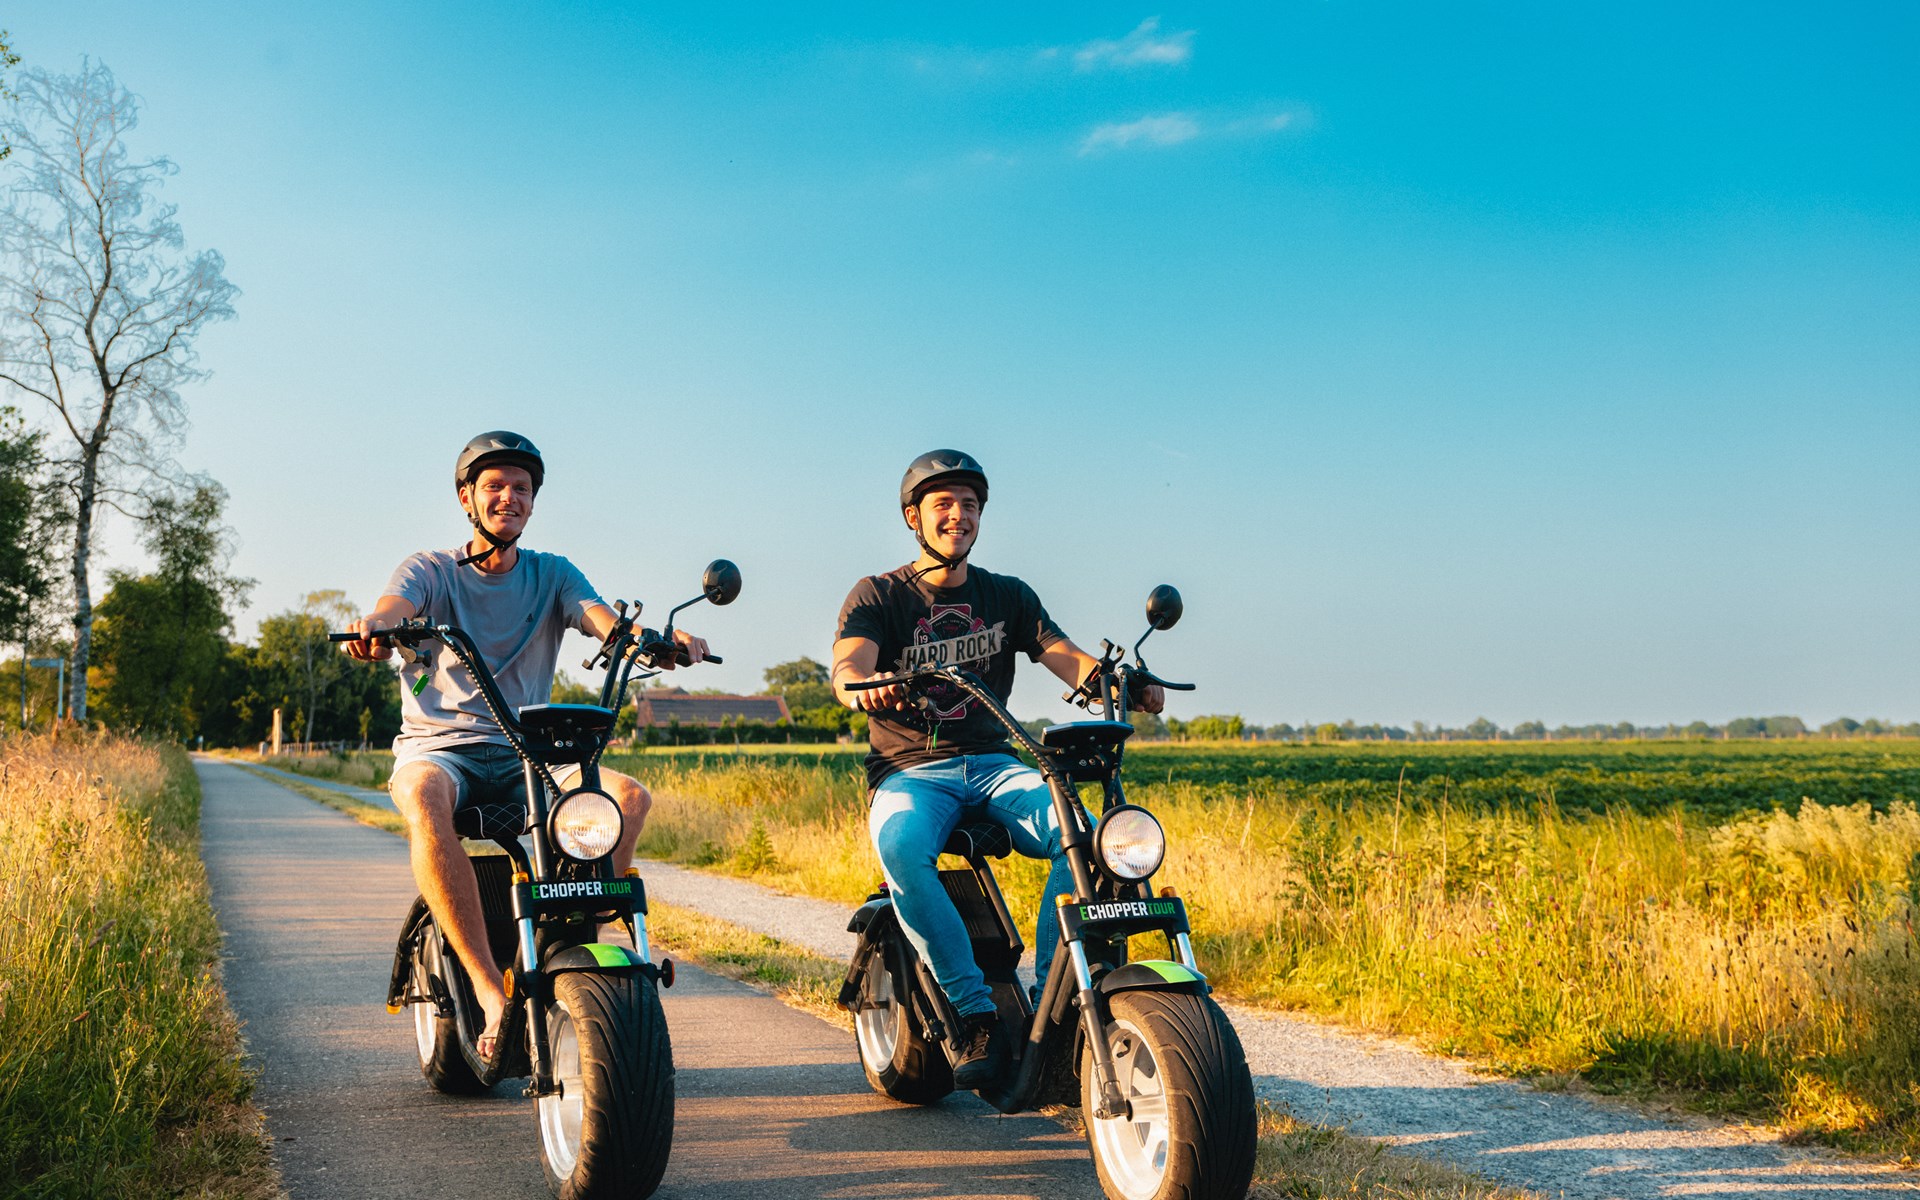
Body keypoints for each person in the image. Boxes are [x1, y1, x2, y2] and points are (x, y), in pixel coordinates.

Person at [341, 431, 706, 1064]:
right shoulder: (431, 570)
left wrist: (656, 641)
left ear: (534, 502)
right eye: (494, 486)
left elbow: (606, 623)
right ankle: (490, 990)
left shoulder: (552, 573)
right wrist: (376, 626)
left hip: (526, 753)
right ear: (467, 499)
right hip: (441, 749)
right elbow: (394, 605)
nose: (509, 497)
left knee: (627, 798)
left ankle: (575, 946)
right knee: (423, 794)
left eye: (521, 488)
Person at [831, 449, 1164, 1087]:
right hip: (909, 769)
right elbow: (849, 665)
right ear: (914, 518)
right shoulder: (878, 594)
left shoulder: (1007, 595)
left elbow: (1067, 659)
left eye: (970, 504)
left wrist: (1122, 682)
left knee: (1087, 836)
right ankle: (973, 1013)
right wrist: (864, 686)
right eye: (943, 504)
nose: (958, 515)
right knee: (901, 847)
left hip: (994, 764)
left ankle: (1053, 1006)